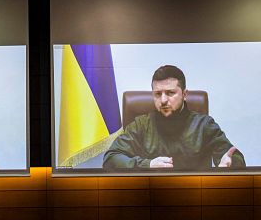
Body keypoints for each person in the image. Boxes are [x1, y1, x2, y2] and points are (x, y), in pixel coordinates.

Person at [103, 65, 245, 171]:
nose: (163, 100)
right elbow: (111, 158)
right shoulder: (141, 125)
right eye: (158, 94)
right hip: (150, 193)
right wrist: (148, 164)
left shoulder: (204, 125)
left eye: (170, 93)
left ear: (184, 94)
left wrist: (230, 164)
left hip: (197, 193)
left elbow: (234, 157)